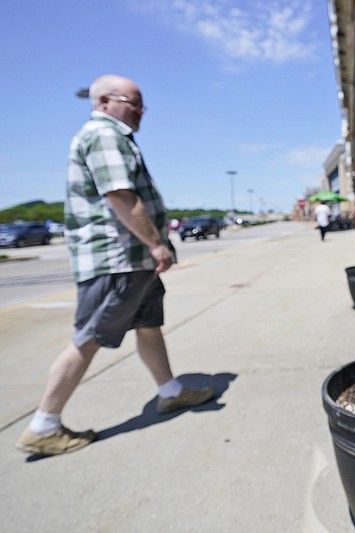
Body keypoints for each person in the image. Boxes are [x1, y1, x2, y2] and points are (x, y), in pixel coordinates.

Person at [16, 74, 214, 456]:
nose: (141, 112)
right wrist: (157, 246)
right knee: (89, 337)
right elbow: (121, 197)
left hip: (133, 261)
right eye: (133, 102)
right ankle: (44, 424)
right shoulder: (105, 135)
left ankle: (169, 391)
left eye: (142, 105)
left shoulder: (114, 136)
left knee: (149, 326)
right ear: (105, 100)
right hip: (117, 261)